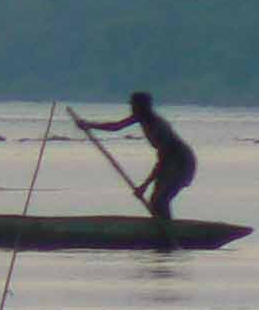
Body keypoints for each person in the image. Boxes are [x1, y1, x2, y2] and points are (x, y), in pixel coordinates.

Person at [71, 92, 197, 221]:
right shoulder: (140, 117)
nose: (132, 108)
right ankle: (162, 228)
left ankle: (168, 230)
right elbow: (116, 126)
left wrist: (145, 185)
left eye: (134, 105)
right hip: (169, 161)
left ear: (142, 107)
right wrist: (89, 125)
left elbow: (163, 162)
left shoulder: (158, 127)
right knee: (156, 201)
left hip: (182, 162)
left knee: (160, 199)